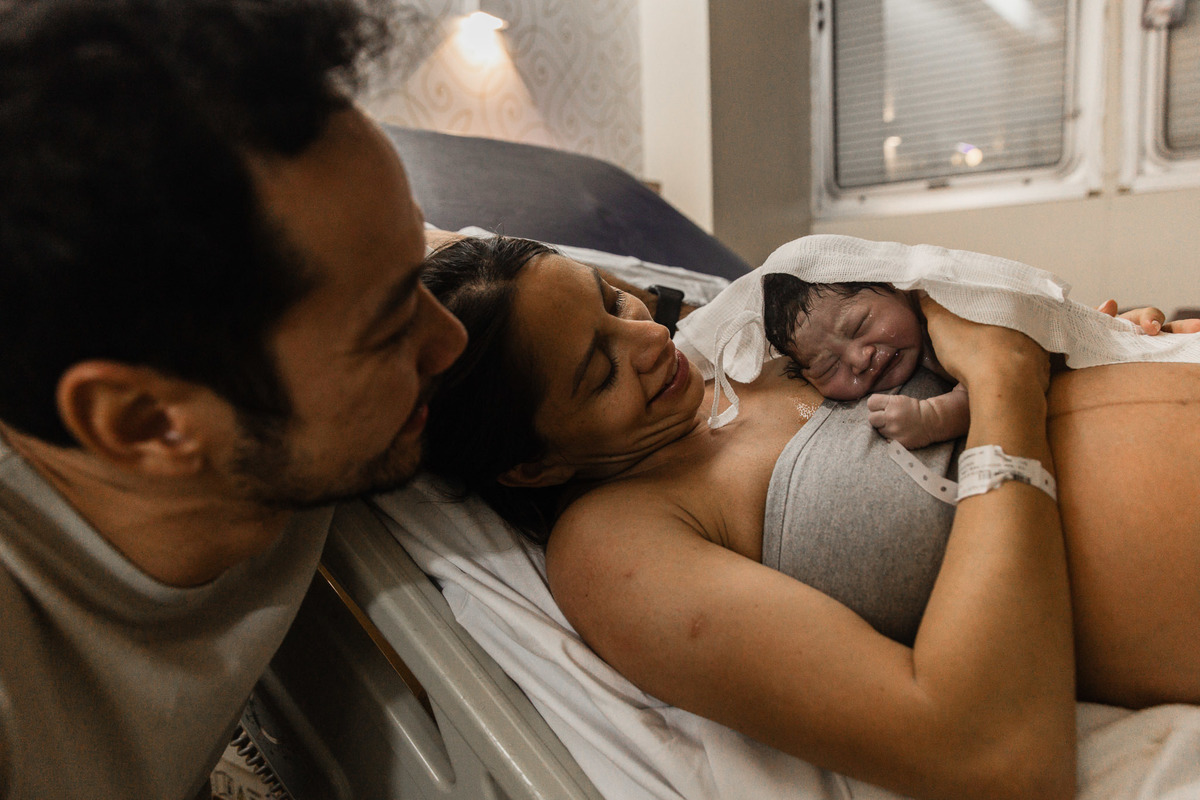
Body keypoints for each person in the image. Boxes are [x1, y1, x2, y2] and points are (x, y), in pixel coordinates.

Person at [421, 234, 1200, 800]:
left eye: (612, 300)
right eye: (600, 373)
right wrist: (1005, 382)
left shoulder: (742, 340)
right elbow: (994, 755)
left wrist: (1096, 342)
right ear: (533, 465)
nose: (652, 338)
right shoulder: (617, 543)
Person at [0, 2, 466, 798]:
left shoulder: (287, 304)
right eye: (391, 331)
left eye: (416, 273)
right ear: (148, 424)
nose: (449, 341)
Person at [760, 273, 1199, 448]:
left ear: (898, 288)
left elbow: (994, 383)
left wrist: (932, 419)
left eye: (860, 325)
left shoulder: (948, 318)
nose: (858, 359)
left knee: (1146, 331)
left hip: (1108, 362)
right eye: (828, 367)